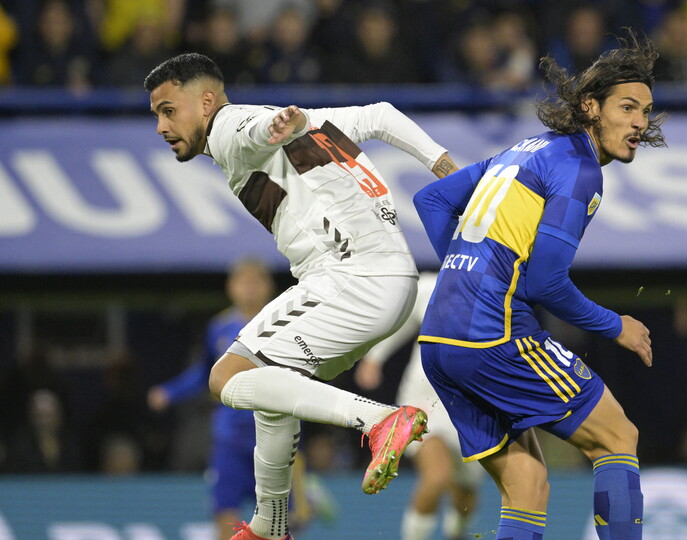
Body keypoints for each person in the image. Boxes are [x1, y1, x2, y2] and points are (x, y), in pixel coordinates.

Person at [143, 52, 459, 540]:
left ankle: (378, 420)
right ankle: (270, 525)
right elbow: (382, 115)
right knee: (272, 385)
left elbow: (246, 132)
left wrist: (270, 126)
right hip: (391, 278)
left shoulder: (228, 127)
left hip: (352, 277)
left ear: (205, 101)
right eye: (156, 115)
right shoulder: (309, 122)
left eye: (168, 110)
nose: (161, 126)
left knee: (227, 377)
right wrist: (443, 164)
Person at [412, 29, 664, 540]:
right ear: (591, 107)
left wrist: (468, 273)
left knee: (526, 486)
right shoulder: (579, 169)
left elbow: (431, 201)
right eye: (628, 108)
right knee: (617, 436)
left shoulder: (525, 150)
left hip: (440, 341)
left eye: (646, 111)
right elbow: (547, 282)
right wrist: (616, 325)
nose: (640, 122)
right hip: (492, 336)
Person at [148, 258, 331, 540]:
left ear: (268, 286)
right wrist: (170, 392)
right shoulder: (218, 328)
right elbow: (205, 374)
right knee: (224, 517)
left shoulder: (289, 323)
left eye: (255, 281)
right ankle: (308, 497)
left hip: (277, 434)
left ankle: (306, 499)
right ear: (230, 287)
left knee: (285, 525)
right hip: (230, 439)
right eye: (242, 282)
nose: (248, 288)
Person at [354, 272, 484, 540]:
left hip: (472, 408)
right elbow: (402, 321)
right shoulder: (430, 286)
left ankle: (456, 535)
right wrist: (375, 357)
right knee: (436, 476)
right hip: (424, 403)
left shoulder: (498, 291)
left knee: (466, 494)